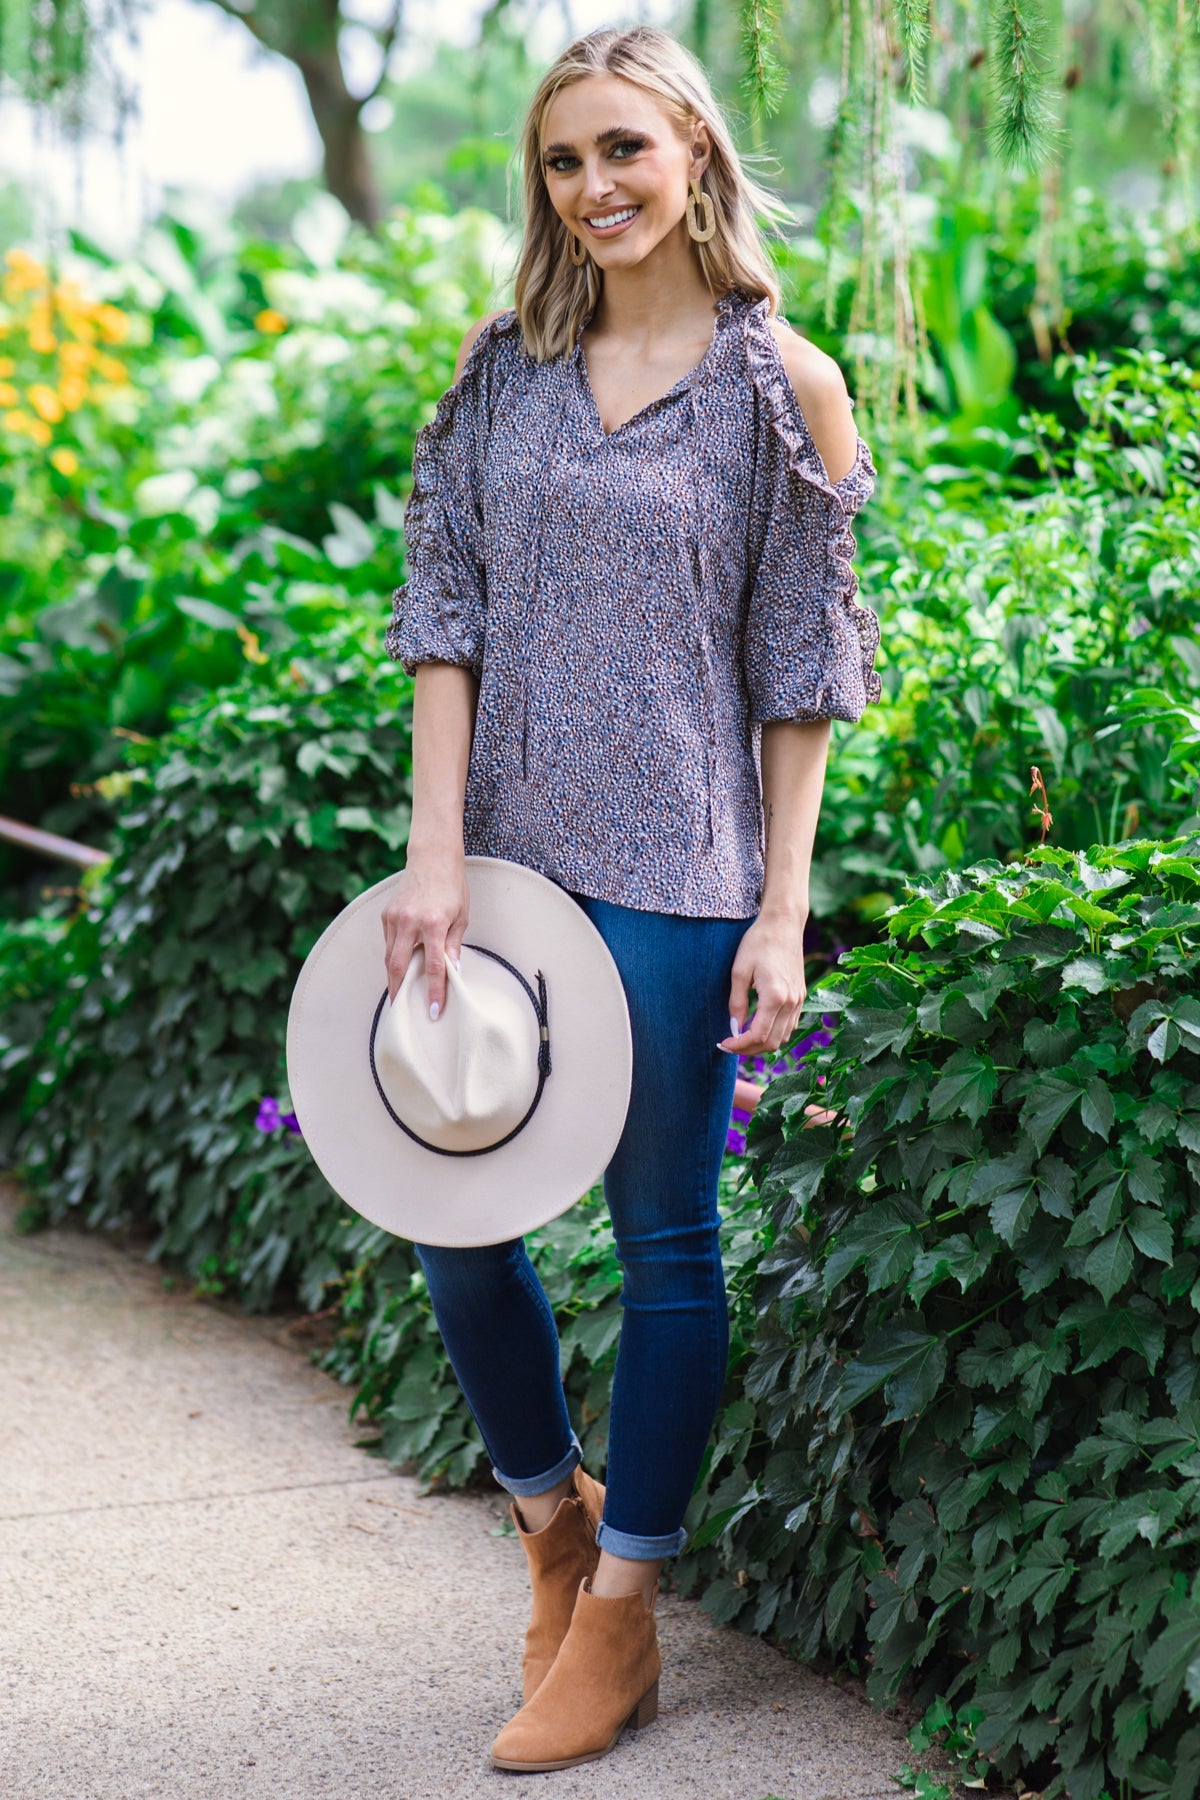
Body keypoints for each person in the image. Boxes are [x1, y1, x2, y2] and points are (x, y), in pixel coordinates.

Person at [379, 22, 881, 1774]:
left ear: (691, 155)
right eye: (562, 161)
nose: (591, 188)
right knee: (456, 1228)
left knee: (672, 1251)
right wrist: (435, 853)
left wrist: (783, 907)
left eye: (621, 151)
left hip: (683, 864)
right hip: (502, 867)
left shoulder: (781, 389)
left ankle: (624, 1616)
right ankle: (551, 1527)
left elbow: (799, 671)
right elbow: (443, 614)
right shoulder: (500, 372)